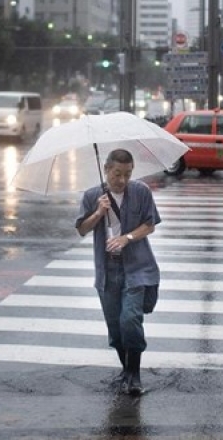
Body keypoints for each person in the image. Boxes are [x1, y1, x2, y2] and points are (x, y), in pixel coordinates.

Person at [76, 148, 161, 396]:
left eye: (127, 174)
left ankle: (134, 375)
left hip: (137, 267)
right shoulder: (93, 195)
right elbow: (82, 229)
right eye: (117, 174)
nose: (122, 180)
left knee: (130, 318)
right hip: (107, 271)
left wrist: (127, 237)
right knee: (115, 328)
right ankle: (126, 369)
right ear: (106, 170)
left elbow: (150, 224)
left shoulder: (141, 192)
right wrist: (98, 213)